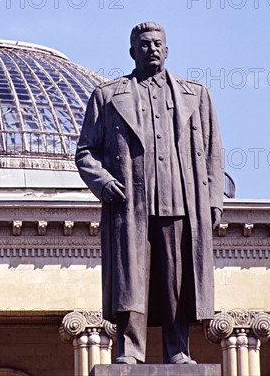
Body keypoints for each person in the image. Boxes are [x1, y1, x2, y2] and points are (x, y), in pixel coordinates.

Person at [75, 22, 224, 365]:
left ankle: (179, 350)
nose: (152, 49)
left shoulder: (195, 95)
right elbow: (85, 151)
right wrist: (103, 181)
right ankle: (131, 350)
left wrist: (213, 201)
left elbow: (214, 151)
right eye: (144, 45)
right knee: (132, 280)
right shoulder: (108, 95)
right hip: (131, 205)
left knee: (177, 280)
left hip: (182, 202)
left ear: (167, 50)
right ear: (132, 52)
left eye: (158, 43)